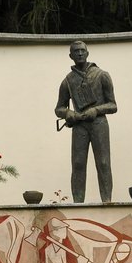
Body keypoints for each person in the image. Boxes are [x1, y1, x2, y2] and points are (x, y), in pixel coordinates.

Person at [55, 40, 117, 203]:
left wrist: (96, 110)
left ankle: (107, 201)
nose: (80, 53)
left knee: (103, 162)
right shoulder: (67, 81)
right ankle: (78, 203)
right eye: (76, 51)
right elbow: (58, 108)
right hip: (79, 125)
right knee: (78, 164)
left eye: (82, 50)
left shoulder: (102, 75)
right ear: (71, 56)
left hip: (99, 124)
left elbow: (113, 105)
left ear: (88, 53)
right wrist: (68, 113)